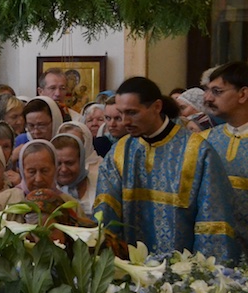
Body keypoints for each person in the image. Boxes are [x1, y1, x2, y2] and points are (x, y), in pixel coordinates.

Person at [95, 77, 241, 262]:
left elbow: (212, 220)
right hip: (130, 269)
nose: (124, 121)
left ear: (156, 107)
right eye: (121, 113)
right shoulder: (121, 151)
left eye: (132, 113)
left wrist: (202, 276)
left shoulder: (197, 150)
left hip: (181, 274)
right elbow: (105, 212)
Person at [203, 62, 248, 252]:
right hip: (213, 254)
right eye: (207, 90)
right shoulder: (202, 141)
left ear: (243, 94)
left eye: (217, 91)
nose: (207, 98)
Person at [52, 133, 97, 215]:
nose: (64, 169)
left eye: (69, 163)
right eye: (58, 164)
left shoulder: (99, 183)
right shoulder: (48, 190)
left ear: (81, 161)